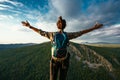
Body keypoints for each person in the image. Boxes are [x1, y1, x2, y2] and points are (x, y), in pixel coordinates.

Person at [21, 16, 103, 80]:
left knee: (52, 78)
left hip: (54, 60)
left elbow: (40, 32)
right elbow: (81, 33)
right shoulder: (67, 35)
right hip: (64, 60)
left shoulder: (52, 35)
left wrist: (30, 26)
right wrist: (93, 28)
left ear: (57, 26)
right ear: (65, 26)